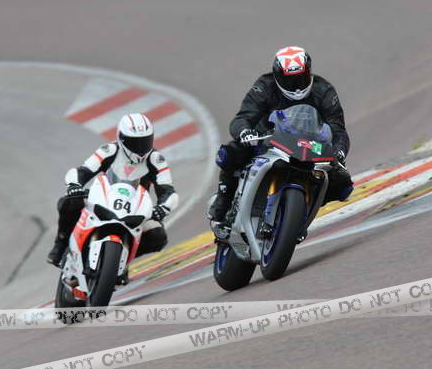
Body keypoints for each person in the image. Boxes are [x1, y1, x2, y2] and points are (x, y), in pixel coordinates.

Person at [208, 46, 353, 221]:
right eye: (290, 80)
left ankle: (304, 207)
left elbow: (338, 129)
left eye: (301, 78)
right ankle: (223, 200)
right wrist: (245, 132)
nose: (296, 86)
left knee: (343, 185)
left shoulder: (324, 90)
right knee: (231, 153)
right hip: (269, 139)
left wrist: (339, 151)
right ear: (277, 76)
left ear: (309, 72)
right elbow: (243, 117)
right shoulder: (264, 86)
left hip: (310, 145)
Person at [46, 113, 179, 278]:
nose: (140, 147)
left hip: (135, 207)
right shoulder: (109, 150)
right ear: (121, 138)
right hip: (103, 197)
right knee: (68, 202)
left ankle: (122, 260)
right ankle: (60, 244)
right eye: (134, 142)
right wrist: (74, 185)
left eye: (145, 141)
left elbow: (167, 191)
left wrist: (163, 208)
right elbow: (83, 171)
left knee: (158, 236)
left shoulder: (156, 160)